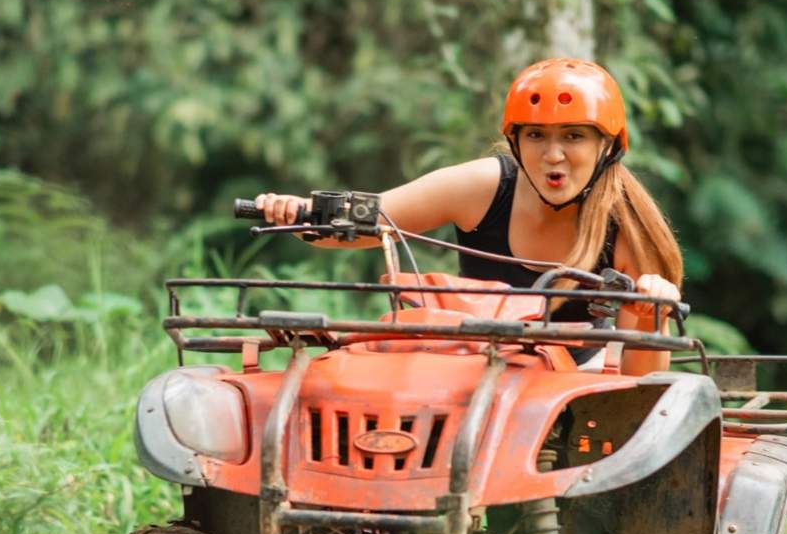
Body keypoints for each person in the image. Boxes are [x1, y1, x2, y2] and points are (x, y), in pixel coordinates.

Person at [254, 57, 683, 376]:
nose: (554, 156)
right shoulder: (483, 188)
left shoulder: (628, 228)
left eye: (573, 136)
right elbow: (371, 221)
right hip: (469, 368)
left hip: (568, 386)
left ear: (606, 147)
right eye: (536, 135)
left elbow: (643, 385)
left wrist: (651, 315)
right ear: (515, 142)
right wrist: (299, 215)